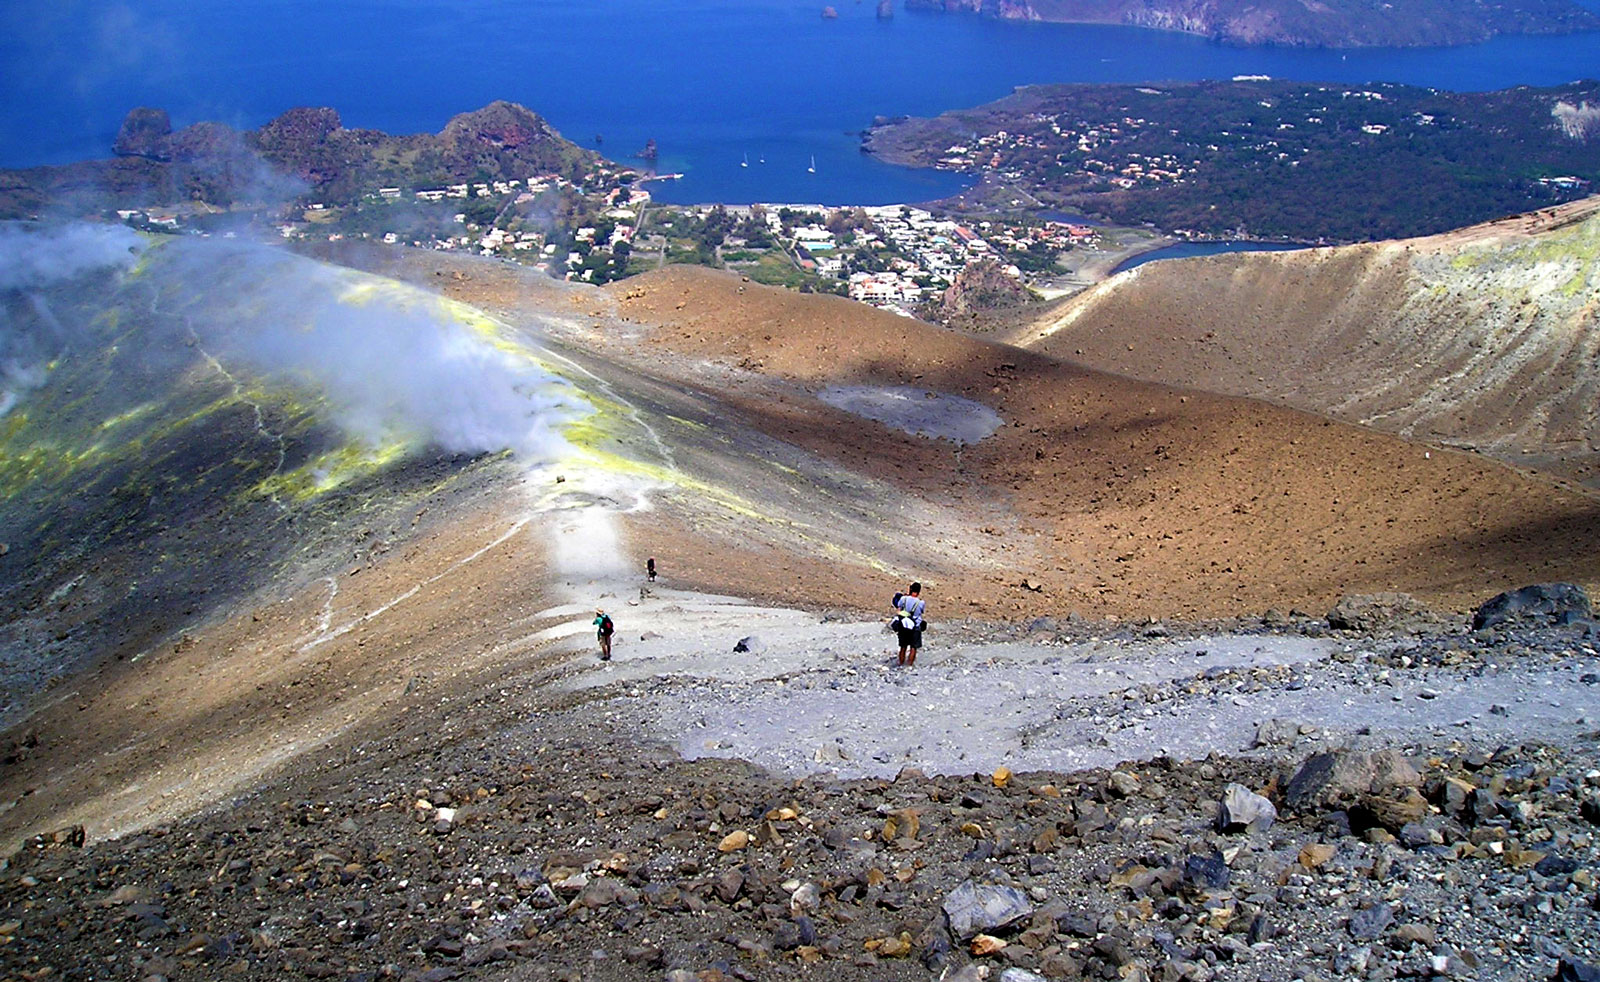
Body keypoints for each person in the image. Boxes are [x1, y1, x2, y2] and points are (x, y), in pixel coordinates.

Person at [891, 582, 926, 667]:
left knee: (903, 646)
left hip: (903, 625)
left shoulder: (903, 599)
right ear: (919, 591)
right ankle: (909, 665)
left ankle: (900, 664)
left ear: (910, 589)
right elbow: (921, 612)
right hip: (915, 626)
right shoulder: (921, 603)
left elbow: (899, 609)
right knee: (913, 647)